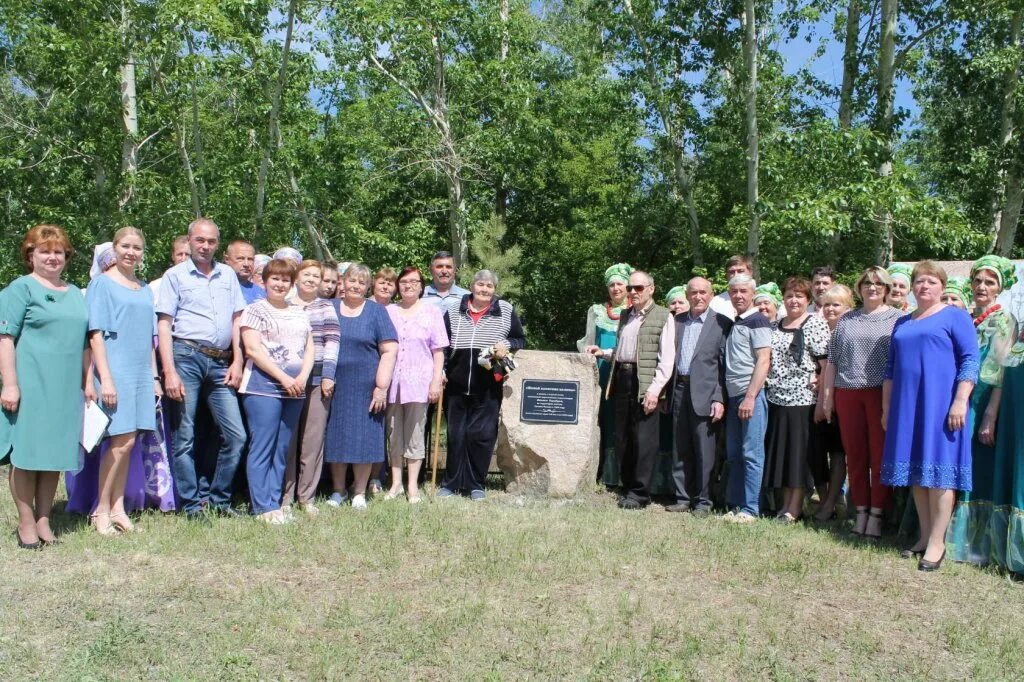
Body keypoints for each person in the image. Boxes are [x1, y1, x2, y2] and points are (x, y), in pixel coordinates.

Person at [882, 261, 978, 571]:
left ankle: (938, 543)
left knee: (940, 474)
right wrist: (886, 409)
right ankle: (924, 536)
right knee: (917, 475)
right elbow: (890, 370)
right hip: (907, 406)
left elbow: (970, 361)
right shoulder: (902, 323)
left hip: (941, 405)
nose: (925, 286)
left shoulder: (955, 316)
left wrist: (960, 401)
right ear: (912, 286)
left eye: (931, 282)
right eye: (920, 281)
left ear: (941, 287)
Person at [0, 224, 89, 548]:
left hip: (65, 389)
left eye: (58, 252)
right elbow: (5, 339)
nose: (52, 257)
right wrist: (10, 385)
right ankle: (25, 524)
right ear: (30, 255)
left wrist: (88, 382)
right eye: (45, 251)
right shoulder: (21, 288)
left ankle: (44, 521)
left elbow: (84, 343)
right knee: (26, 455)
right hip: (31, 383)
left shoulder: (76, 293)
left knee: (53, 456)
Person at [156, 217, 248, 519]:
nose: (205, 246)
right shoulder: (175, 276)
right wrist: (168, 371)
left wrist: (238, 360)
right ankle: (192, 505)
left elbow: (237, 319)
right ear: (190, 240)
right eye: (199, 240)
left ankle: (219, 501)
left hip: (222, 361)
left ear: (217, 245)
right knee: (185, 436)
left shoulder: (227, 276)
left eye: (210, 241)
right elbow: (165, 325)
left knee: (236, 436)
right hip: (186, 357)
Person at [81, 228, 161, 535]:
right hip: (116, 369)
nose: (131, 252)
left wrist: (154, 377)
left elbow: (148, 339)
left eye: (137, 247)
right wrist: (107, 379)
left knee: (130, 443)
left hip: (141, 370)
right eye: (125, 246)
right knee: (118, 441)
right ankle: (99, 511)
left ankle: (118, 509)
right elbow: (95, 335)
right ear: (115, 249)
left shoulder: (143, 288)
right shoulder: (101, 284)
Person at [819, 266, 903, 538]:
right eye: (867, 283)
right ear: (859, 288)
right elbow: (832, 361)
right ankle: (861, 512)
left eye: (879, 283)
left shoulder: (898, 319)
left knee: (879, 456)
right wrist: (827, 399)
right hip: (847, 392)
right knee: (854, 456)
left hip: (881, 393)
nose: (872, 287)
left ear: (887, 289)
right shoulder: (847, 319)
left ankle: (878, 514)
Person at [949, 256, 1017, 566]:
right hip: (960, 400)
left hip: (984, 401)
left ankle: (978, 545)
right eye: (978, 280)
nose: (981, 286)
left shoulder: (1004, 320)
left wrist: (990, 413)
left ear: (1000, 288)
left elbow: (1001, 371)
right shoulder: (966, 318)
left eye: (989, 282)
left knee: (980, 468)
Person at [438, 270, 526, 500]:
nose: (484, 289)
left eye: (489, 286)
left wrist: (504, 344)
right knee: (456, 435)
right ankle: (451, 482)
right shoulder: (454, 309)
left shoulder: (505, 310)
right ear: (472, 286)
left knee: (482, 435)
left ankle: (477, 483)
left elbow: (519, 338)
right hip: (456, 385)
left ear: (495, 289)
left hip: (488, 385)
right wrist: (442, 370)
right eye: (480, 284)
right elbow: (443, 343)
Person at [239, 259, 314, 524]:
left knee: (281, 448)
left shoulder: (299, 312)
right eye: (275, 279)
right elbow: (253, 350)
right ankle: (261, 507)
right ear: (265, 281)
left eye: (285, 280)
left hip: (295, 390)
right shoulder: (254, 310)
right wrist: (284, 377)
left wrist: (302, 377)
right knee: (263, 446)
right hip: (263, 388)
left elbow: (309, 347)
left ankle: (275, 503)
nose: (280, 284)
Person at [650, 277, 731, 515]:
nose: (698, 297)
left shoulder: (722, 324)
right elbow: (667, 360)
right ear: (687, 294)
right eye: (693, 292)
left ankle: (704, 500)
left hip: (706, 394)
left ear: (711, 294)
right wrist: (665, 393)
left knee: (705, 450)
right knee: (680, 446)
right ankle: (682, 497)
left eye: (703, 292)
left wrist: (719, 397)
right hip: (679, 390)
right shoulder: (677, 322)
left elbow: (724, 366)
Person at [324, 263, 398, 510]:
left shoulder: (376, 311)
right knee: (337, 435)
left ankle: (358, 492)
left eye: (362, 283)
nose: (356, 286)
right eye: (351, 281)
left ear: (368, 287)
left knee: (365, 438)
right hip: (333, 384)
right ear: (342, 283)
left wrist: (381, 386)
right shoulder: (330, 307)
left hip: (367, 386)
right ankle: (338, 490)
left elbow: (389, 350)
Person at [598, 270, 672, 510]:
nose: (632, 292)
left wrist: (655, 391)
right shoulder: (626, 315)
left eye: (638, 288)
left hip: (645, 383)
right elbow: (625, 349)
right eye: (631, 288)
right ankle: (627, 486)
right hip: (622, 378)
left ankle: (640, 493)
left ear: (651, 289)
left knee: (644, 440)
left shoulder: (663, 316)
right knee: (623, 437)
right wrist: (604, 353)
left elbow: (667, 358)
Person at [763, 277, 830, 522]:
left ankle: (795, 507)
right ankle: (784, 504)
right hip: (777, 399)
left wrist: (823, 398)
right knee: (782, 453)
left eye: (799, 296)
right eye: (790, 295)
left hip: (803, 400)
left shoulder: (816, 324)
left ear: (808, 300)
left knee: (799, 455)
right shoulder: (774, 325)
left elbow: (825, 365)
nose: (794, 300)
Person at [282, 260, 339, 516]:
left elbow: (332, 342)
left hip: (317, 382)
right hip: (287, 382)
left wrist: (328, 376)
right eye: (307, 274)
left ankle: (306, 497)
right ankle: (284, 496)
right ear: (296, 276)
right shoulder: (284, 302)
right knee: (287, 441)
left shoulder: (325, 306)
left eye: (317, 276)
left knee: (312, 442)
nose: (312, 280)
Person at [386, 266, 448, 503]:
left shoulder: (431, 312)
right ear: (398, 286)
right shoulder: (389, 311)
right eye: (404, 282)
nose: (408, 285)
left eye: (413, 282)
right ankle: (395, 484)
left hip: (419, 383)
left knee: (414, 434)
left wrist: (435, 381)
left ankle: (412, 486)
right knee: (393, 435)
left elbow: (438, 351)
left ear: (422, 286)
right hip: (392, 383)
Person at [722, 274, 772, 523]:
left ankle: (751, 509)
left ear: (752, 294)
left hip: (749, 396)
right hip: (733, 398)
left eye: (743, 291)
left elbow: (764, 360)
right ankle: (736, 505)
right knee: (735, 454)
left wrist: (750, 397)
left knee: (751, 453)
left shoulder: (758, 321)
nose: (739, 295)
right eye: (734, 291)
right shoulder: (737, 322)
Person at [580, 262, 633, 487]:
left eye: (620, 283)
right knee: (606, 420)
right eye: (611, 284)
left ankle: (628, 474)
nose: (615, 288)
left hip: (628, 372)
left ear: (628, 286)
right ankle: (606, 474)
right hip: (602, 373)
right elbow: (588, 341)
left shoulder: (635, 311)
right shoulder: (597, 311)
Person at [811, 284, 854, 521]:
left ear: (848, 307)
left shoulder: (850, 330)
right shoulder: (818, 329)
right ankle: (825, 498)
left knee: (838, 454)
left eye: (836, 304)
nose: (830, 309)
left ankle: (832, 503)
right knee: (816, 452)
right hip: (816, 399)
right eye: (826, 304)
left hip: (842, 397)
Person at [148, 235, 190, 306]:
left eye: (187, 254)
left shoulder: (201, 286)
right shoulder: (156, 286)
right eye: (179, 254)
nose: (183, 259)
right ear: (173, 256)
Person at [226, 240, 266, 305]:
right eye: (240, 258)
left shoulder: (261, 293)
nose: (246, 264)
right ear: (227, 259)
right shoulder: (217, 287)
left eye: (250, 259)